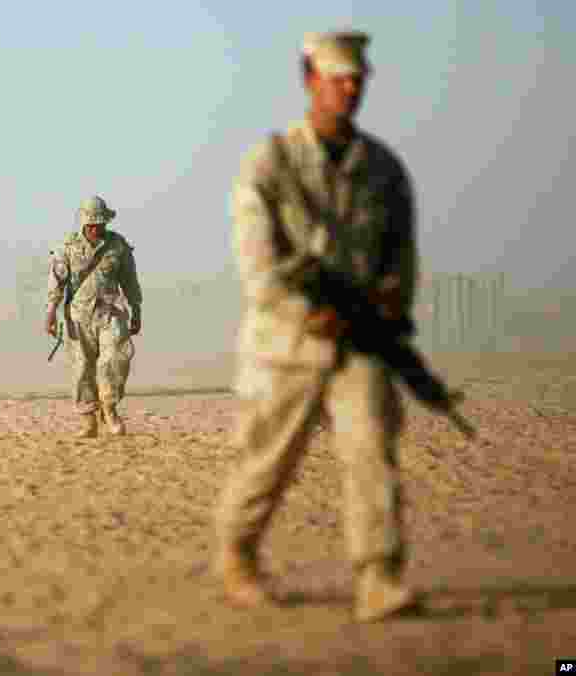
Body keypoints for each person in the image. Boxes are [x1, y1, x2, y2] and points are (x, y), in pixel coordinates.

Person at [215, 30, 420, 622]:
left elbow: (400, 258)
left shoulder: (381, 169)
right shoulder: (271, 163)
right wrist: (308, 311)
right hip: (287, 341)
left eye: (358, 80)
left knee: (371, 450)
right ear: (310, 82)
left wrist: (387, 306)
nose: (350, 90)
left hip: (358, 343)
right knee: (268, 458)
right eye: (337, 80)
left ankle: (378, 575)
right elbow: (256, 262)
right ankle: (238, 556)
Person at [45, 195, 142, 437]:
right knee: (81, 369)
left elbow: (130, 280)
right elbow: (56, 283)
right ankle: (88, 418)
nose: (94, 227)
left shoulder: (118, 246)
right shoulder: (68, 247)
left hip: (111, 311)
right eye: (90, 223)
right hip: (78, 315)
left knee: (116, 359)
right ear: (83, 223)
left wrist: (136, 309)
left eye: (99, 223)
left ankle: (109, 407)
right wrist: (50, 313)